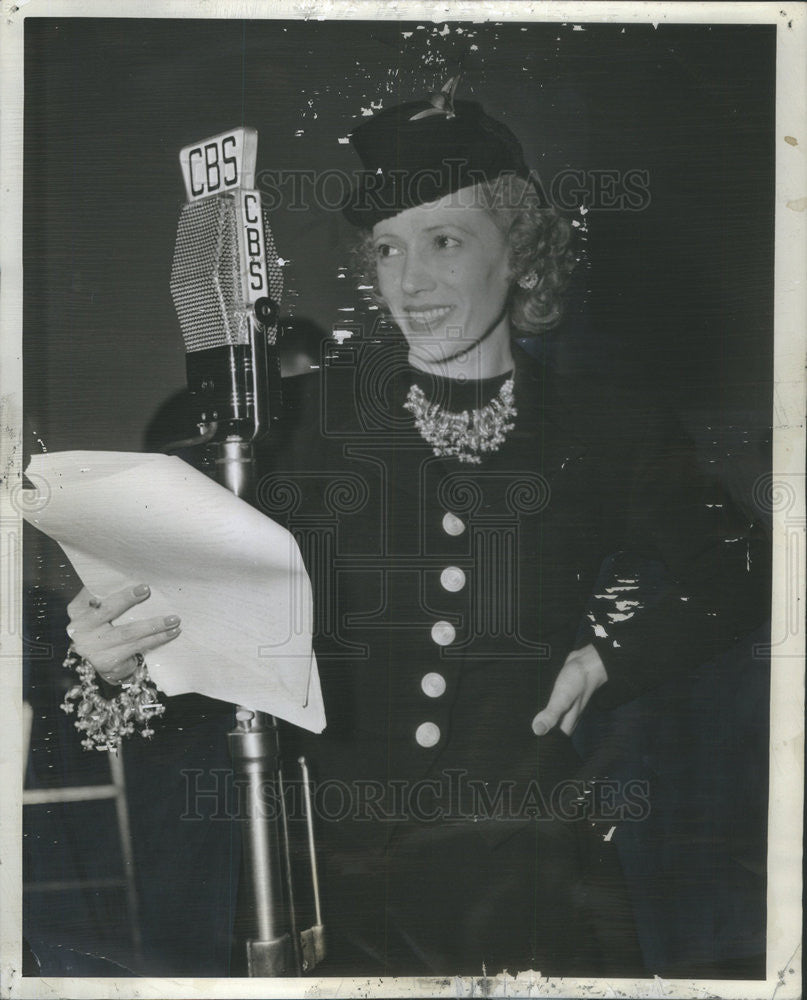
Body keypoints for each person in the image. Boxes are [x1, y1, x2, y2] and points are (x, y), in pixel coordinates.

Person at [59, 86, 768, 977]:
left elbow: (748, 567)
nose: (410, 279)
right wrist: (116, 651)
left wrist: (611, 659)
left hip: (533, 892)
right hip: (329, 889)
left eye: (445, 241)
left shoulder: (607, 427)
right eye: (389, 247)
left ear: (520, 255)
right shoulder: (299, 425)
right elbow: (199, 621)